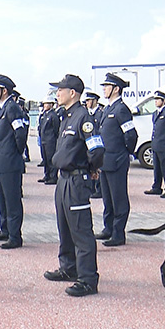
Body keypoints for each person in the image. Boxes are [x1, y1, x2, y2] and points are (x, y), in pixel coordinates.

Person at [44, 74, 104, 297]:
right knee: (65, 228)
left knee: (81, 231)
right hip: (63, 179)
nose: (56, 93)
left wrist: (90, 169)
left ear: (73, 93)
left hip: (77, 180)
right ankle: (68, 268)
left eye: (60, 90)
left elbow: (97, 150)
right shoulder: (66, 117)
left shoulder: (83, 118)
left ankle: (88, 279)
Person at [93, 73, 138, 247]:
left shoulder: (121, 109)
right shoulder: (107, 108)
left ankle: (118, 233)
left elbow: (131, 134)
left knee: (118, 198)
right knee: (107, 198)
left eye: (106, 86)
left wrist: (125, 152)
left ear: (116, 89)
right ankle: (108, 228)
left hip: (117, 161)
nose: (104, 89)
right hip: (106, 161)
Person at [0, 74, 28, 249]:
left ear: (4, 90)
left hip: (10, 162)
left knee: (12, 200)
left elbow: (21, 134)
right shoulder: (1, 108)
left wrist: (14, 152)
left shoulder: (12, 108)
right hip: (1, 161)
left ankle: (15, 236)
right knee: (2, 198)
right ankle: (5, 229)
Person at [37, 95, 60, 185]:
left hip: (50, 141)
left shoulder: (53, 115)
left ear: (51, 104)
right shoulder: (44, 115)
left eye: (46, 104)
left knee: (51, 159)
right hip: (44, 140)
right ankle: (47, 175)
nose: (44, 105)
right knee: (45, 159)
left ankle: (53, 177)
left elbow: (56, 129)